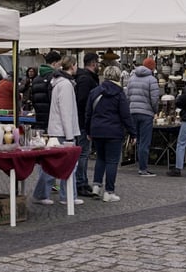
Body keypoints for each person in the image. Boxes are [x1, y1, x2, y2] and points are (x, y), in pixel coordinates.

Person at [32, 55, 84, 206]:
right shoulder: (66, 85)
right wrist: (69, 136)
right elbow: (66, 112)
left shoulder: (59, 83)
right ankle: (67, 196)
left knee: (51, 164)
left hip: (57, 128)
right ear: (73, 66)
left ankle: (44, 194)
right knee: (69, 165)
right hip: (63, 131)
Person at [86, 64, 136, 202]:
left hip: (97, 130)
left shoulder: (95, 91)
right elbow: (126, 115)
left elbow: (88, 113)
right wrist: (133, 133)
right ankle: (109, 192)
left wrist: (88, 130)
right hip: (114, 131)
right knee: (112, 161)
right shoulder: (119, 93)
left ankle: (96, 186)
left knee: (100, 159)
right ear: (117, 77)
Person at [127, 56, 160, 177]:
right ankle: (143, 169)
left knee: (138, 140)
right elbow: (155, 99)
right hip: (146, 114)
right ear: (152, 67)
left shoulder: (132, 78)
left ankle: (138, 164)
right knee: (144, 143)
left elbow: (128, 96)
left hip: (133, 112)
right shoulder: (152, 80)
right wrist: (155, 111)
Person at [74, 52, 100, 196]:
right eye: (97, 62)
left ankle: (83, 180)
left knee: (84, 153)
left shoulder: (85, 77)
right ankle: (80, 183)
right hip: (83, 122)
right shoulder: (86, 79)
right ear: (93, 63)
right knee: (83, 153)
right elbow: (82, 101)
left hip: (84, 121)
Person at [30, 50, 63, 131]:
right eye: (59, 64)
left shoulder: (36, 79)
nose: (60, 67)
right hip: (51, 119)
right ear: (54, 63)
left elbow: (32, 98)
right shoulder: (54, 78)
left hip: (38, 117)